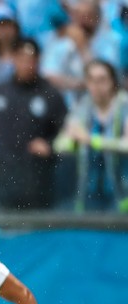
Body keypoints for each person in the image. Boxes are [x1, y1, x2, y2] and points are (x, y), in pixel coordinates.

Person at [0, 37, 67, 210]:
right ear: (13, 59)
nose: (25, 64)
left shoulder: (51, 94)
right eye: (21, 58)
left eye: (30, 59)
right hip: (3, 171)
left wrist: (49, 146)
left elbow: (65, 132)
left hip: (38, 174)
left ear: (37, 61)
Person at [55, 59, 128, 211]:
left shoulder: (124, 105)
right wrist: (71, 140)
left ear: (113, 81)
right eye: (92, 80)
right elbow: (59, 145)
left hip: (122, 194)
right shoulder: (82, 106)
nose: (97, 85)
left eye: (102, 79)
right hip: (88, 192)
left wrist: (91, 140)